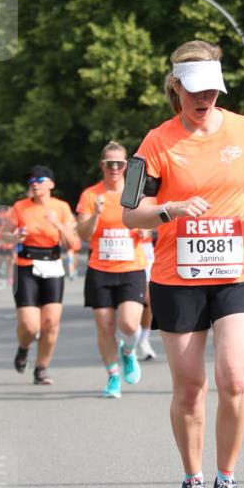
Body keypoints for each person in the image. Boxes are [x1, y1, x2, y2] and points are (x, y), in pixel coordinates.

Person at [122, 40, 244, 488]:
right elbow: (131, 214)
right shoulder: (154, 143)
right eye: (194, 90)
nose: (204, 98)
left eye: (213, 90)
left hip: (237, 269)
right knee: (191, 387)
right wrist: (169, 209)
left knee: (235, 377)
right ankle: (192, 480)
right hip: (178, 276)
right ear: (175, 87)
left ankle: (226, 480)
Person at [77, 142, 148, 398]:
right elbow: (83, 234)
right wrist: (95, 214)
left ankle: (128, 352)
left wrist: (146, 228)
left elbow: (153, 224)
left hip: (132, 267)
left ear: (126, 166)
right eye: (110, 164)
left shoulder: (136, 193)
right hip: (100, 269)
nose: (115, 168)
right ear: (102, 166)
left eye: (120, 163)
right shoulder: (90, 195)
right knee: (105, 326)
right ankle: (113, 377)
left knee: (129, 323)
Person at [3, 165, 77, 385]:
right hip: (25, 266)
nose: (34, 183)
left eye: (40, 179)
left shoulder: (61, 208)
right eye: (31, 181)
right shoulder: (19, 207)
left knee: (51, 323)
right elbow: (5, 236)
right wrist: (14, 237)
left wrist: (57, 224)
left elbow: (72, 243)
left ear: (51, 184)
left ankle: (41, 368)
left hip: (53, 265)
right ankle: (24, 347)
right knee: (30, 326)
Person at [137, 231, 157, 360]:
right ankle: (129, 338)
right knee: (128, 299)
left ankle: (144, 340)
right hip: (123, 245)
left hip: (145, 247)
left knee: (148, 298)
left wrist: (150, 229)